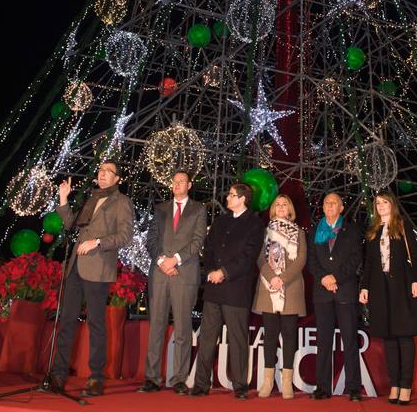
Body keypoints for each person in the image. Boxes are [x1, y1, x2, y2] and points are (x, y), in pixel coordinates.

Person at [49, 160, 135, 396]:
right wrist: (64, 199)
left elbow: (125, 235)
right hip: (75, 266)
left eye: (109, 172)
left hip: (98, 268)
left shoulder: (122, 202)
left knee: (96, 323)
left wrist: (97, 242)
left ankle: (96, 378)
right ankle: (58, 374)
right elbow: (71, 224)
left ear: (117, 179)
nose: (103, 174)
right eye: (100, 170)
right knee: (66, 321)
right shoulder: (91, 199)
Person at [190, 183, 264, 399]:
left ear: (243, 199)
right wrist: (212, 270)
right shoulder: (221, 221)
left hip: (236, 289)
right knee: (206, 338)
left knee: (238, 339)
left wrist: (224, 272)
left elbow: (248, 257)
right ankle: (201, 384)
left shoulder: (255, 224)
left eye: (232, 195)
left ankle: (240, 385)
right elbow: (209, 248)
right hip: (214, 288)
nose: (228, 198)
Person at [138, 169, 207, 395]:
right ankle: (152, 378)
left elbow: (197, 242)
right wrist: (162, 261)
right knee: (156, 325)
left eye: (181, 181)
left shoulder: (199, 209)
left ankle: (178, 378)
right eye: (174, 181)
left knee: (183, 328)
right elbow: (151, 240)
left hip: (184, 274)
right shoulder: (160, 209)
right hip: (159, 275)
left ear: (189, 184)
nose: (177, 185)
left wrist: (175, 260)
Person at [359, 191, 417, 405]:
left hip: (401, 286)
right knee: (388, 337)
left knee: (404, 336)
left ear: (392, 204)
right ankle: (394, 384)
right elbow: (368, 263)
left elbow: (414, 255)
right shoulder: (373, 231)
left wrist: (416, 280)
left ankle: (406, 386)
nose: (381, 206)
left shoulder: (403, 227)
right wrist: (364, 287)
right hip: (380, 288)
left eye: (385, 202)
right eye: (378, 203)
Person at [307, 192, 363, 401]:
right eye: (326, 203)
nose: (329, 206)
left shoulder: (353, 230)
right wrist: (324, 278)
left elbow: (356, 258)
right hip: (322, 293)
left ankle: (354, 387)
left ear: (341, 208)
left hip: (345, 290)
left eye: (334, 203)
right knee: (323, 341)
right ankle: (322, 387)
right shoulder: (315, 231)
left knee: (350, 340)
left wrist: (335, 278)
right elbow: (311, 261)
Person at [253, 194, 306, 399]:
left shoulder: (298, 232)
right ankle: (267, 381)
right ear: (273, 209)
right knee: (270, 336)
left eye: (285, 204)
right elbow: (259, 258)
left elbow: (301, 259)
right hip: (268, 288)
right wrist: (271, 277)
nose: (282, 207)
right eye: (278, 204)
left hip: (290, 289)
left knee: (289, 335)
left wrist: (282, 278)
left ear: (290, 209)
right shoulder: (265, 231)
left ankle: (286, 382)